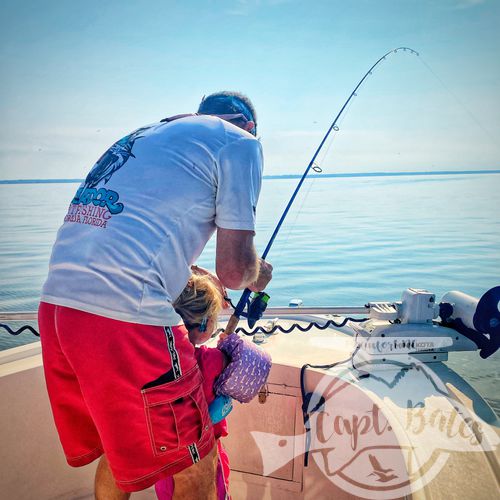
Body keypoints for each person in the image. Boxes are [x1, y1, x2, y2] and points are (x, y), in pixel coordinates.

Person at [38, 91, 273, 499]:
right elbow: (234, 272)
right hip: (125, 314)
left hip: (58, 306)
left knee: (116, 444)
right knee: (194, 455)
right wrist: (259, 272)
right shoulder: (241, 142)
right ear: (250, 126)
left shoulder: (149, 134)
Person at [155, 270, 231, 499]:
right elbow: (239, 365)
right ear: (206, 324)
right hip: (206, 455)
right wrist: (228, 345)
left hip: (164, 463)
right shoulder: (214, 360)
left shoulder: (157, 363)